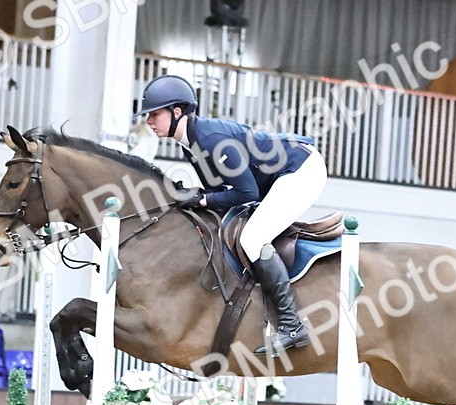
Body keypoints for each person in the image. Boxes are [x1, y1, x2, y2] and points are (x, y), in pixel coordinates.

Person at [139, 74, 329, 355]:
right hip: (277, 175)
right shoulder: (190, 142)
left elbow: (245, 193)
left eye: (155, 114)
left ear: (177, 112)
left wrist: (201, 198)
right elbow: (217, 191)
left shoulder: (210, 139)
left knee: (253, 238)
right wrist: (194, 196)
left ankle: (292, 325)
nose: (149, 121)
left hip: (302, 169)